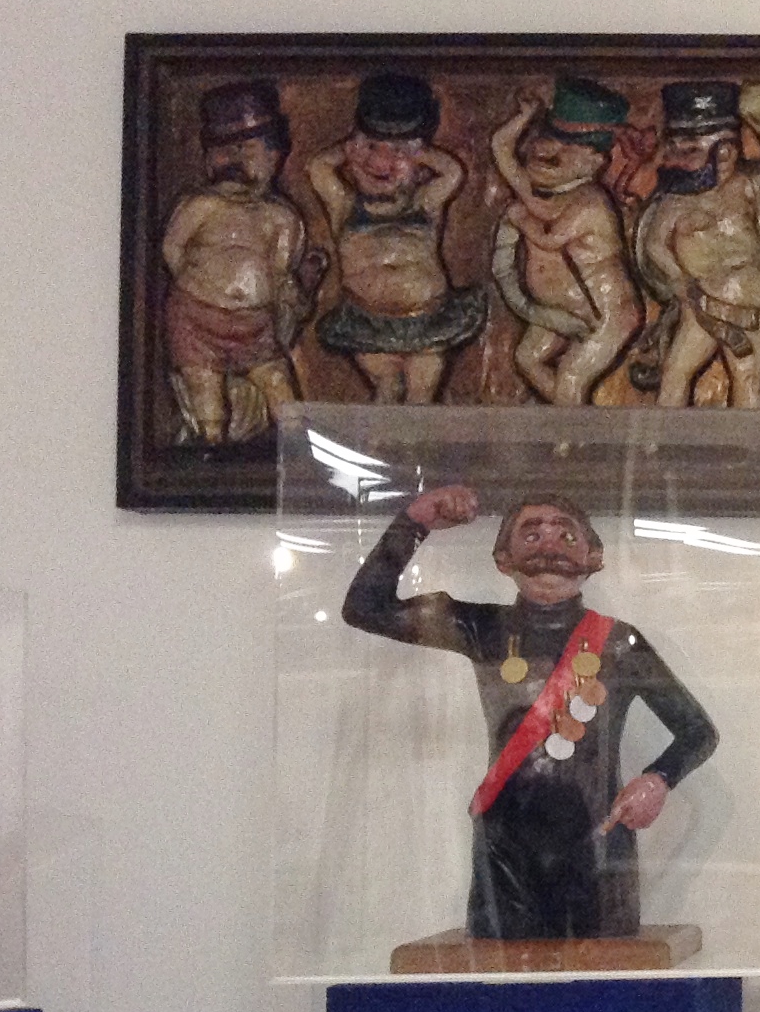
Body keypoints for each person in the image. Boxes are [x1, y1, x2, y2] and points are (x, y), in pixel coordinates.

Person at [342, 485, 718, 942]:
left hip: (597, 843)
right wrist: (415, 522)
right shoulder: (481, 628)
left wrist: (658, 779)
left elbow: (697, 731)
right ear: (503, 559)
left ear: (594, 557)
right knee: (499, 974)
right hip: (505, 847)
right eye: (532, 535)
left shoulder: (621, 643)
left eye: (566, 536)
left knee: (605, 970)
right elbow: (365, 609)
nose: (550, 548)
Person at [158, 79, 321, 444]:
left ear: (274, 156)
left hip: (254, 327)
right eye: (223, 150)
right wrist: (205, 284)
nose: (235, 160)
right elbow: (173, 250)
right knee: (206, 393)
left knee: (278, 384)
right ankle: (212, 445)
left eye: (247, 148)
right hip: (197, 320)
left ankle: (298, 445)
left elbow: (280, 270)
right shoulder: (202, 206)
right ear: (207, 158)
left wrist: (293, 289)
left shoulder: (281, 216)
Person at [306, 72, 484, 403]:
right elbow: (318, 167)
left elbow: (453, 172)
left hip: (428, 320)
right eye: (372, 147)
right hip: (369, 323)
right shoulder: (345, 206)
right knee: (387, 389)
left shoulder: (425, 204)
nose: (381, 162)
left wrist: (417, 152)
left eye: (398, 152)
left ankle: (421, 443)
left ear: (420, 165)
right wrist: (351, 149)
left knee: (421, 395)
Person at [634, 80, 760, 409]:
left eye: (728, 144)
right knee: (675, 372)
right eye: (699, 148)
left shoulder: (746, 185)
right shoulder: (674, 203)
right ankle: (664, 438)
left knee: (748, 375)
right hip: (702, 299)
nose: (723, 155)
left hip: (749, 293)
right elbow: (655, 245)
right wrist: (678, 281)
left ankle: (747, 441)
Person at [488, 76, 644, 406]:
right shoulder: (545, 193)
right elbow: (501, 149)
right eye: (547, 140)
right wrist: (524, 117)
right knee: (527, 359)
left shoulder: (591, 203)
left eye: (566, 149)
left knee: (572, 376)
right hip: (561, 312)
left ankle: (570, 429)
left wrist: (519, 218)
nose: (547, 151)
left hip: (605, 315)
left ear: (594, 162)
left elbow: (549, 237)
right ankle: (576, 417)